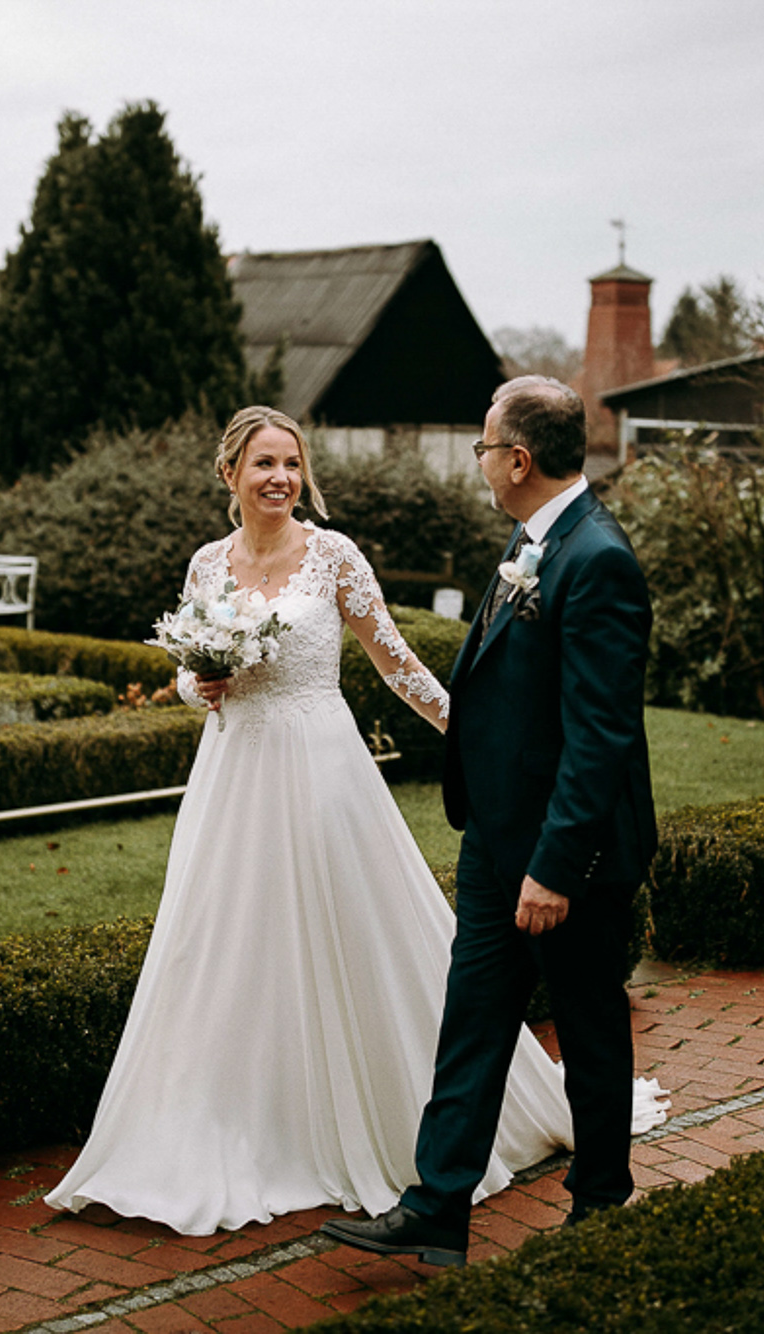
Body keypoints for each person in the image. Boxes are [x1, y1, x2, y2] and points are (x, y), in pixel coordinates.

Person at [43, 406, 661, 1236]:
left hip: (324, 774)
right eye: (264, 464)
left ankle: (422, 1156)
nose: (281, 479)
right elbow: (190, 677)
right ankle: (242, 1129)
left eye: (292, 464)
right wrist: (204, 685)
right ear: (230, 474)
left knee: (361, 941)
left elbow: (398, 663)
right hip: (233, 780)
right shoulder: (204, 566)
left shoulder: (333, 557)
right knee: (225, 947)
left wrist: (467, 741)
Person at [322, 376, 659, 1268]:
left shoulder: (597, 559)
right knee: (471, 1021)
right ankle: (437, 1207)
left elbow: (601, 738)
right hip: (497, 842)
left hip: (567, 857)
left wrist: (555, 867)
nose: (478, 460)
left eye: (482, 446)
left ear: (517, 458)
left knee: (588, 1027)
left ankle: (601, 1205)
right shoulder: (532, 539)